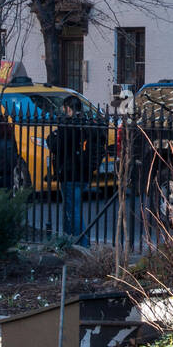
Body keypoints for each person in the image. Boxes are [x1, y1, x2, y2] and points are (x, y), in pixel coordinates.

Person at [47, 96, 103, 246]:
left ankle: (81, 244)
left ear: (68, 108)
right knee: (70, 209)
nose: (63, 111)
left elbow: (55, 145)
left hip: (70, 173)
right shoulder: (86, 124)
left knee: (73, 210)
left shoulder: (69, 126)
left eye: (64, 108)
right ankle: (69, 241)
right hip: (83, 173)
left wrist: (52, 136)